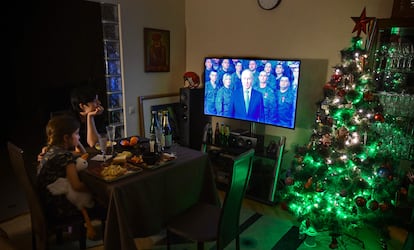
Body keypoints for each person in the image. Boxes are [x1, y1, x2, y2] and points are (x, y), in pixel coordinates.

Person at [37, 115, 104, 240]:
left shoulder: (52, 150)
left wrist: (75, 141)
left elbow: (83, 154)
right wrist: (98, 189)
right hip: (59, 207)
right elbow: (77, 186)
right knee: (104, 200)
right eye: (77, 134)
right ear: (66, 138)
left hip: (46, 202)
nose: (79, 137)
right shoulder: (65, 157)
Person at [37, 85, 105, 161]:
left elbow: (94, 144)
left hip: (89, 156)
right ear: (82, 106)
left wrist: (90, 117)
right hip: (73, 158)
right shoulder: (69, 121)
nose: (99, 103)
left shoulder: (98, 115)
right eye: (95, 101)